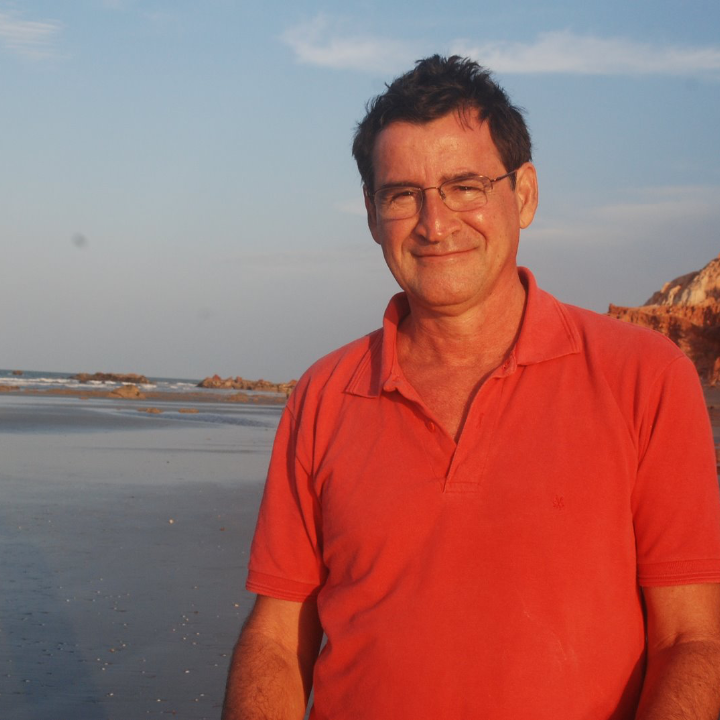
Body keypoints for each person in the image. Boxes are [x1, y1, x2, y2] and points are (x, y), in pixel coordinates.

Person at [222, 55, 720, 719]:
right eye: (403, 195)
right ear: (372, 214)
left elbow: (691, 641)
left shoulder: (645, 378)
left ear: (524, 194)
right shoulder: (323, 395)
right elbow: (277, 640)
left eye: (465, 186)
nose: (435, 223)